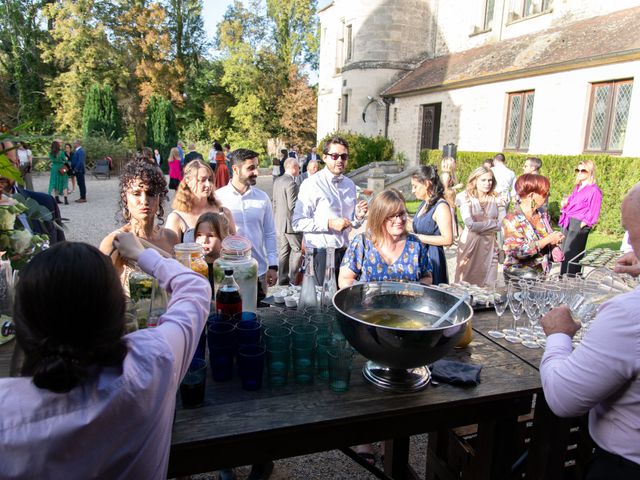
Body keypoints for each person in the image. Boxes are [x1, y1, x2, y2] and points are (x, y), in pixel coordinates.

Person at [0, 234, 210, 477]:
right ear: (119, 311)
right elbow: (195, 288)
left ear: (22, 325)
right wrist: (142, 255)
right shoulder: (152, 359)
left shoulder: (7, 412)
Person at [539, 183, 640, 480]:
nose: (628, 241)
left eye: (630, 232)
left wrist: (558, 335)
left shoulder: (628, 315)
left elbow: (562, 398)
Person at [292, 136, 368, 285]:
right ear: (325, 158)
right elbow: (297, 222)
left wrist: (358, 217)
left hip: (345, 253)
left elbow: (351, 223)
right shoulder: (311, 184)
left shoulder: (350, 185)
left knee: (342, 301)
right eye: (335, 156)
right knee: (318, 304)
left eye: (344, 156)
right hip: (318, 254)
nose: (339, 160)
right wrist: (328, 223)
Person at [99, 160, 179, 293]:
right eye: (136, 194)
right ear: (125, 197)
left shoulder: (170, 237)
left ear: (159, 197)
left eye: (151, 193)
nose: (144, 201)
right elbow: (100, 292)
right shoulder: (115, 242)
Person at [217, 149, 277, 302]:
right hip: (228, 272)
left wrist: (273, 265)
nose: (256, 172)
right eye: (250, 168)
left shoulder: (262, 198)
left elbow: (270, 233)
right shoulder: (218, 198)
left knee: (258, 319)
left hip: (258, 271)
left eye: (256, 167)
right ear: (235, 169)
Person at [339, 188, 432, 288]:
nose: (399, 220)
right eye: (392, 216)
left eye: (402, 213)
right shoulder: (362, 243)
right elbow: (345, 280)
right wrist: (366, 292)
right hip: (370, 303)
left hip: (408, 303)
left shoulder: (415, 244)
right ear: (379, 217)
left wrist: (412, 289)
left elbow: (427, 277)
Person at [0, 140, 65, 243]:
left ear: (17, 164)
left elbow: (60, 253)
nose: (1, 173)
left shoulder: (45, 202)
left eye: (7, 164)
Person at [502, 174, 564, 279]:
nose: (548, 195)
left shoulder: (543, 214)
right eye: (545, 193)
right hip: (521, 277)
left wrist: (554, 240)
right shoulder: (512, 219)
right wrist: (548, 240)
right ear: (531, 195)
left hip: (542, 274)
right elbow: (518, 251)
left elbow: (546, 239)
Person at [455, 166, 506, 287]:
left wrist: (481, 224)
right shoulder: (464, 197)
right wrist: (493, 223)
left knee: (489, 284)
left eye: (490, 180)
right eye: (483, 180)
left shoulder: (498, 198)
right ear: (474, 180)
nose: (488, 183)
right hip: (470, 244)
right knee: (465, 284)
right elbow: (470, 225)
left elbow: (503, 224)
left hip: (490, 245)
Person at [166, 160, 236, 243]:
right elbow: (170, 253)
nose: (208, 184)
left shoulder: (224, 213)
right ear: (188, 182)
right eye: (203, 180)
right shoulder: (176, 218)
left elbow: (235, 247)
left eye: (210, 179)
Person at [410, 165, 453, 285]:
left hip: (433, 258)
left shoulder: (441, 206)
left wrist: (418, 238)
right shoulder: (424, 204)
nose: (413, 190)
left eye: (415, 186)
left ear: (427, 184)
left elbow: (448, 239)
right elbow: (418, 226)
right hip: (421, 255)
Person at [559, 160, 602, 275]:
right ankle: (563, 276)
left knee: (573, 252)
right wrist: (566, 203)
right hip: (568, 221)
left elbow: (594, 209)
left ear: (590, 172)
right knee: (565, 250)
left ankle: (569, 277)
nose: (579, 172)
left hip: (579, 222)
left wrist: (584, 223)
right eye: (578, 170)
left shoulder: (594, 190)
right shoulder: (578, 187)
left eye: (583, 170)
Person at [273, 157, 303, 285]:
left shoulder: (277, 180)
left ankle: (282, 278)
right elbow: (293, 206)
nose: (299, 170)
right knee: (298, 251)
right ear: (293, 167)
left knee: (284, 252)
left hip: (279, 222)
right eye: (298, 167)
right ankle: (293, 279)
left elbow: (274, 203)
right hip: (290, 224)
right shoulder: (291, 183)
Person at [194, 211, 230, 285]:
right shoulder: (194, 267)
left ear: (223, 237)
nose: (204, 241)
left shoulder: (231, 267)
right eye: (199, 235)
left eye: (210, 236)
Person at [47, 141, 69, 205]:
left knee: (55, 183)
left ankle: (56, 198)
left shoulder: (51, 153)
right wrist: (66, 158)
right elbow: (65, 160)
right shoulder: (61, 153)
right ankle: (66, 200)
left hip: (54, 169)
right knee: (64, 183)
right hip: (62, 168)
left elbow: (52, 160)